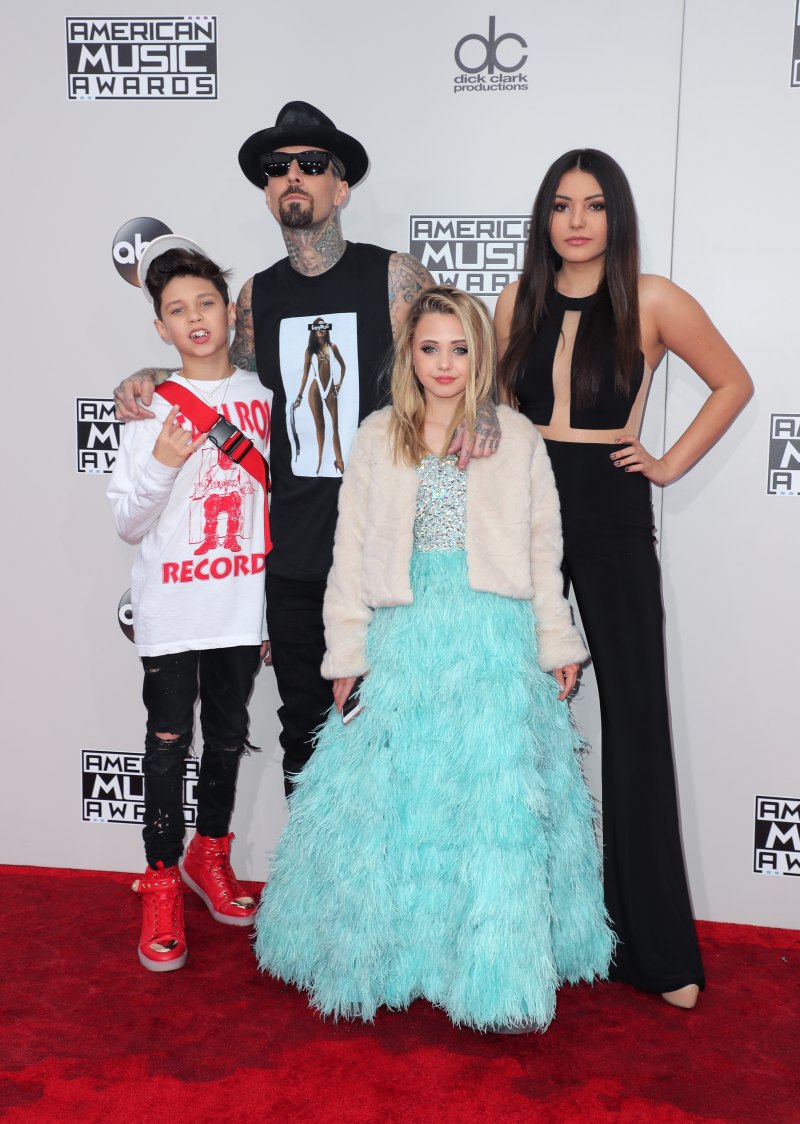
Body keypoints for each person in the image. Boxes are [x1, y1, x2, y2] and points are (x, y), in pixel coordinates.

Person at [114, 102, 501, 797]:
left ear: (340, 187)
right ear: (267, 192)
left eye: (312, 164)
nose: (293, 175)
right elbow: (217, 375)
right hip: (293, 556)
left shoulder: (394, 277)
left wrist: (486, 409)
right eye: (278, 167)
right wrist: (151, 375)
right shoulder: (256, 296)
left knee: (399, 735)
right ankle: (309, 871)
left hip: (387, 550)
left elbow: (461, 355)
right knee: (305, 734)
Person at [253, 286, 614, 1032]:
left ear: (480, 354)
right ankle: (399, 958)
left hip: (492, 635)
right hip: (404, 632)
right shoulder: (378, 434)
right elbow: (350, 550)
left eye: (459, 348)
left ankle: (489, 971)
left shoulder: (514, 436)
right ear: (408, 355)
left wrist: (556, 639)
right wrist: (346, 652)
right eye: (429, 348)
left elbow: (543, 546)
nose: (444, 364)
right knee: (395, 800)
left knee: (492, 805)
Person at [494, 149, 753, 1010]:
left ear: (618, 216)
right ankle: (512, 932)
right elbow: (497, 416)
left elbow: (733, 382)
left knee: (636, 715)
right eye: (562, 204)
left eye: (595, 204)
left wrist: (668, 463)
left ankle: (655, 949)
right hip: (526, 508)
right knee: (507, 715)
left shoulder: (653, 299)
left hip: (611, 505)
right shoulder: (516, 300)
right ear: (544, 217)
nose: (577, 221)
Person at [108, 237, 272, 972]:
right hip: (172, 606)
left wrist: (270, 611)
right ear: (161, 328)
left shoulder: (265, 400)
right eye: (178, 310)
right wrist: (164, 463)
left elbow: (282, 507)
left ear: (229, 311)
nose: (195, 319)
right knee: (168, 741)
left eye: (206, 303)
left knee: (229, 737)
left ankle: (211, 856)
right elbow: (127, 521)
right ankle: (161, 881)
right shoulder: (149, 407)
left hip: (240, 604)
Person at [293, 317, 346, 474]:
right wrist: (299, 396)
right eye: (317, 327)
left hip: (330, 387)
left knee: (335, 426)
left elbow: (343, 366)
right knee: (320, 427)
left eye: (323, 326)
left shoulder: (333, 347)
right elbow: (305, 375)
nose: (321, 329)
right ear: (313, 331)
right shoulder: (310, 351)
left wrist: (339, 384)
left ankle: (339, 460)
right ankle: (320, 462)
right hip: (315, 389)